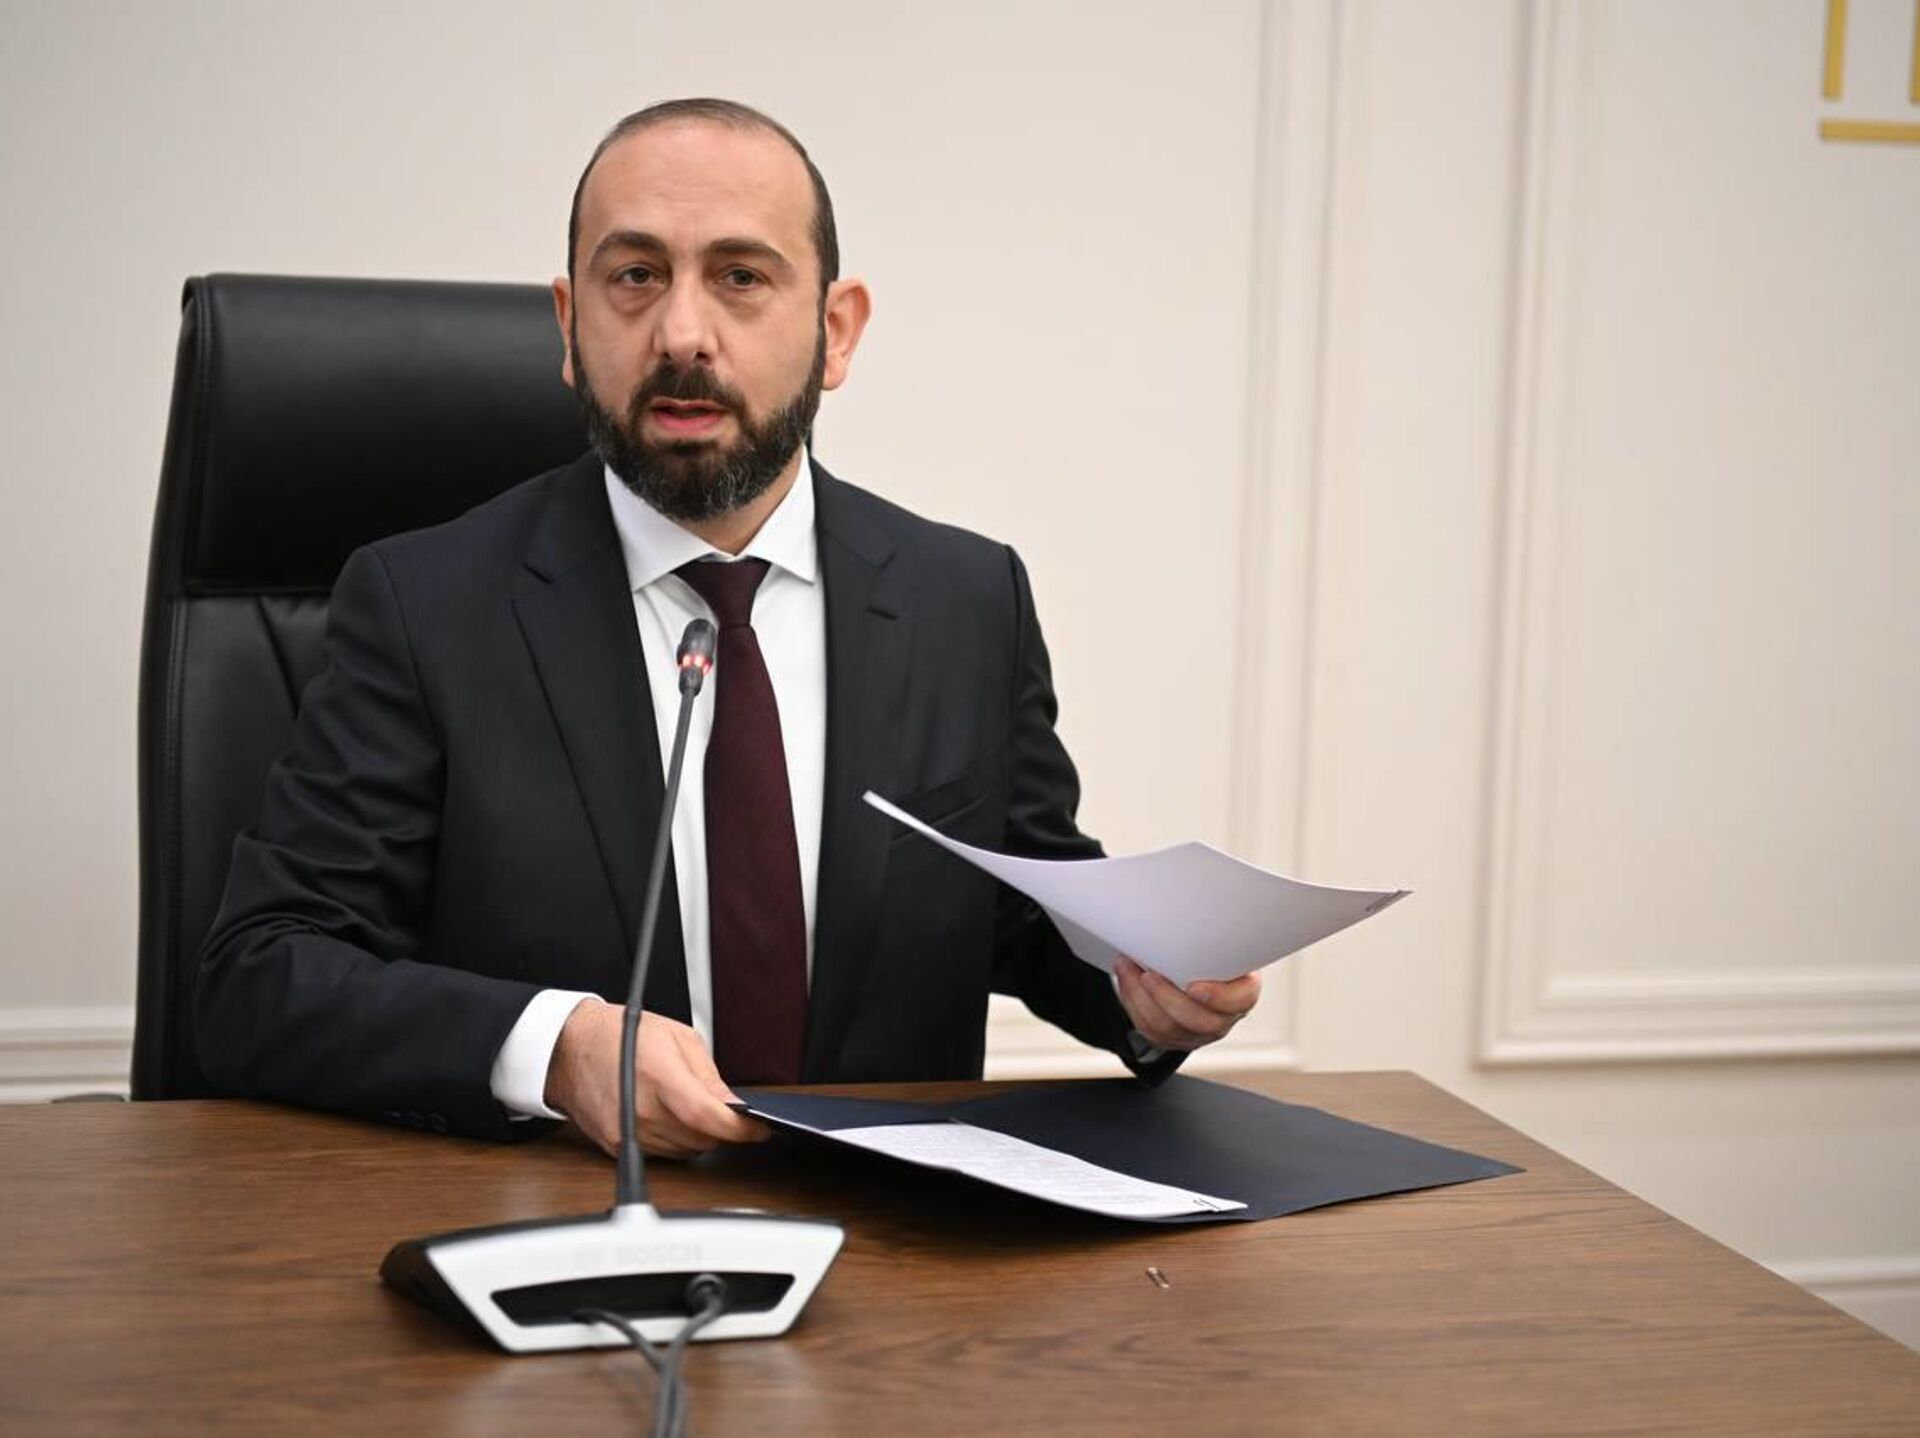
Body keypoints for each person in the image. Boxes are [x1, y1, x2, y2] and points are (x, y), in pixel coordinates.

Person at [196, 98, 1261, 1159]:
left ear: (835, 331)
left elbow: (1022, 909)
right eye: (635, 276)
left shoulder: (966, 600)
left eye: (741, 277)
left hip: (896, 1237)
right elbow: (261, 972)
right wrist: (554, 1049)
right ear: (568, 325)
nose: (682, 335)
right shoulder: (424, 604)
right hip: (572, 1224)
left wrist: (1149, 983)